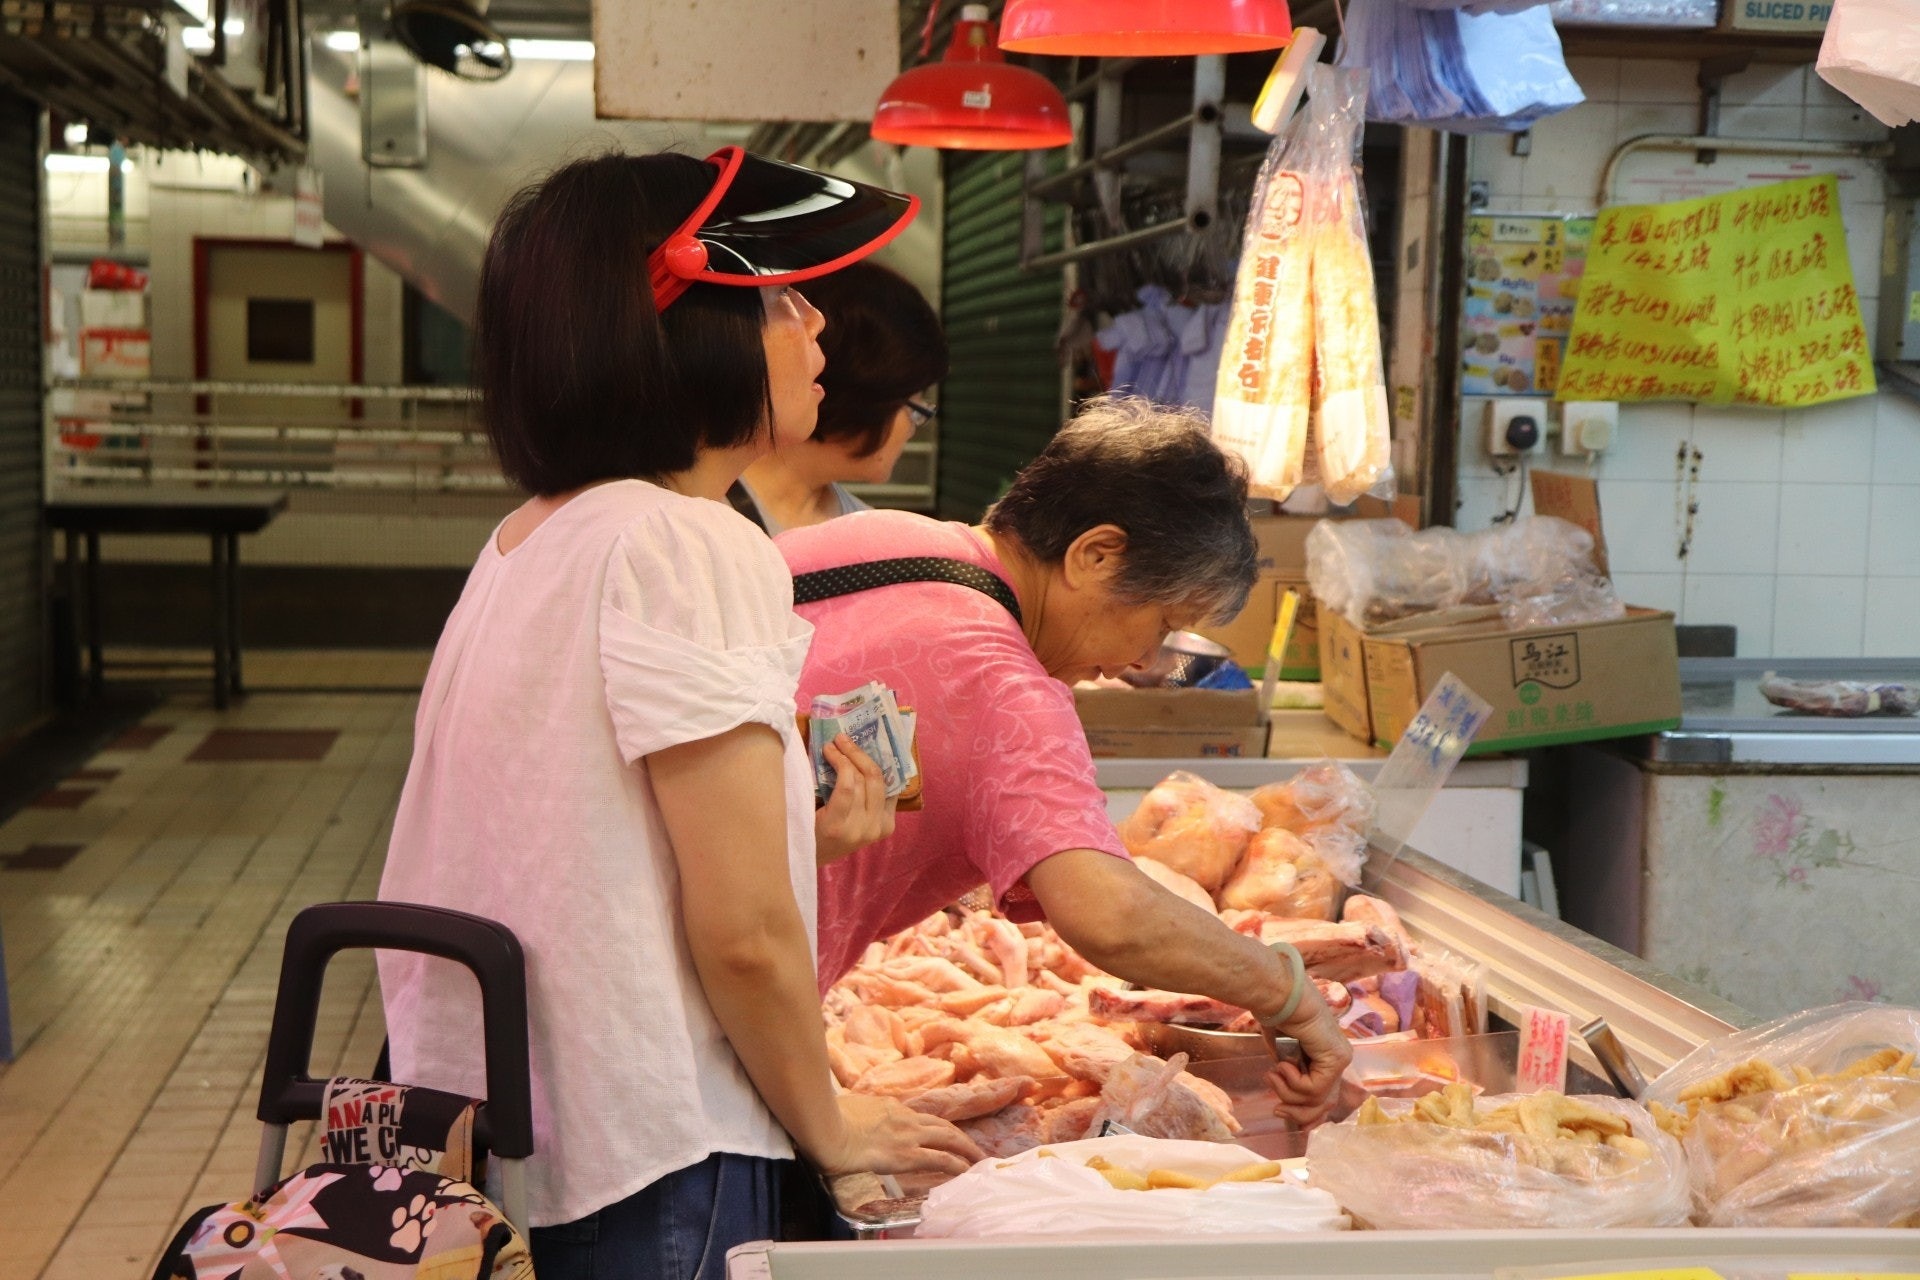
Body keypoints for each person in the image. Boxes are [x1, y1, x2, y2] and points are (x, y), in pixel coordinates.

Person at [376, 148, 978, 1280]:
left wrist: (805, 828)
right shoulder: (687, 540)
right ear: (691, 329)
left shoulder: (536, 534)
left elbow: (574, 837)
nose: (817, 331)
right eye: (782, 299)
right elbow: (744, 930)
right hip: (651, 1153)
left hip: (504, 1129)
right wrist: (835, 1127)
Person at [778, 396, 1352, 1127]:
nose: (1144, 662)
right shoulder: (1012, 689)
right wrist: (1287, 992)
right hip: (690, 1044)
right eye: (1163, 623)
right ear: (1095, 554)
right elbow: (1112, 917)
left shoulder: (877, 538)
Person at [727, 260, 948, 533]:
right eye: (915, 410)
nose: (912, 428)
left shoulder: (870, 536)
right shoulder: (700, 507)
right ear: (863, 394)